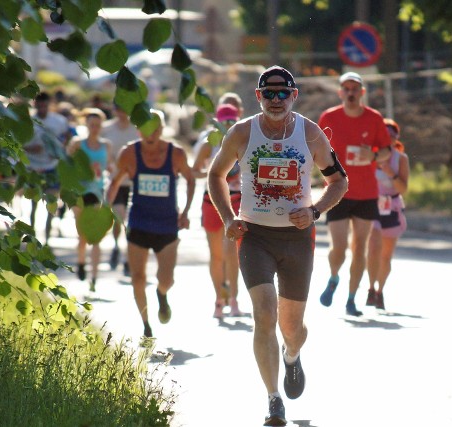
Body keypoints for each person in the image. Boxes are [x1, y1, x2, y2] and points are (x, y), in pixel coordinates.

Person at [208, 66, 348, 426]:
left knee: (292, 327)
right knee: (264, 312)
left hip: (297, 238)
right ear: (258, 96)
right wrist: (228, 218)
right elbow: (215, 175)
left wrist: (315, 210)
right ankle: (273, 400)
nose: (275, 100)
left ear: (293, 95)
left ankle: (292, 354)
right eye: (268, 94)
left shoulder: (309, 133)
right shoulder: (242, 132)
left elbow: (339, 182)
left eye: (282, 93)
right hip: (254, 235)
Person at [106, 109, 195, 338]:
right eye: (146, 129)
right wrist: (106, 210)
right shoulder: (129, 154)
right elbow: (115, 182)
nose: (151, 134)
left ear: (162, 129)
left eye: (155, 129)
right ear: (138, 130)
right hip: (139, 222)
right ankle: (146, 325)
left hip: (167, 225)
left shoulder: (175, 153)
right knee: (137, 277)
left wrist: (185, 212)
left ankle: (161, 294)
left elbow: (191, 179)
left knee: (167, 279)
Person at [317, 72, 391, 317]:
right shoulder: (329, 117)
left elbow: (386, 151)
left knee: (360, 248)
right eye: (346, 88)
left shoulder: (374, 118)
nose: (350, 92)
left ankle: (351, 298)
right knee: (339, 247)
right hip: (338, 191)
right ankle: (334, 277)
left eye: (355, 88)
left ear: (362, 93)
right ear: (340, 92)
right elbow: (317, 150)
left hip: (367, 193)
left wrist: (373, 155)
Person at [192, 104, 242, 318]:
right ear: (217, 123)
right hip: (211, 200)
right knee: (216, 255)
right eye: (225, 121)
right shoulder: (208, 145)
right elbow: (194, 172)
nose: (229, 125)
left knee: (233, 254)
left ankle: (234, 300)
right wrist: (215, 173)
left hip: (236, 199)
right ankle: (219, 299)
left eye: (232, 121)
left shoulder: (244, 142)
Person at [66, 108, 113, 291]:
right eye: (91, 125)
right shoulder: (78, 144)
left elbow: (110, 165)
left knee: (96, 236)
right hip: (79, 193)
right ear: (86, 125)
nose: (94, 128)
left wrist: (113, 172)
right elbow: (67, 164)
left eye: (98, 125)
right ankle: (81, 262)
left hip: (96, 192)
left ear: (101, 126)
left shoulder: (106, 145)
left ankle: (94, 277)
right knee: (83, 234)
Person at [366, 118, 410, 310]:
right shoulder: (368, 155)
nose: (388, 138)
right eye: (385, 135)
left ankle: (379, 291)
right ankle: (370, 287)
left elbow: (403, 187)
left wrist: (390, 172)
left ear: (396, 139)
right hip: (370, 206)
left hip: (391, 207)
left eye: (392, 136)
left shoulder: (401, 159)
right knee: (373, 248)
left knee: (385, 255)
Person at [25, 91, 71, 244]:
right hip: (33, 167)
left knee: (51, 203)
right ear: (34, 104)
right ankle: (32, 238)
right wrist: (32, 149)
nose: (42, 109)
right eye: (39, 106)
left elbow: (68, 135)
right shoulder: (29, 121)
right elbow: (19, 144)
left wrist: (59, 149)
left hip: (52, 167)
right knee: (33, 204)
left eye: (45, 106)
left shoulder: (59, 121)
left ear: (49, 105)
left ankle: (47, 241)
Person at [102, 104, 140, 275]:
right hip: (116, 181)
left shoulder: (137, 129)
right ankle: (116, 246)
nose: (122, 112)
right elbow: (104, 151)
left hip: (134, 183)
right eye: (119, 108)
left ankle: (127, 258)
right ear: (115, 110)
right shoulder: (107, 129)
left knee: (130, 221)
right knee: (118, 217)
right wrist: (109, 164)